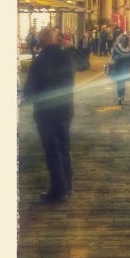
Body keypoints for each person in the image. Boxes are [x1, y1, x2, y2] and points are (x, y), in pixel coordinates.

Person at [22, 26, 75, 204]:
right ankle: (68, 186)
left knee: (52, 151)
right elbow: (85, 64)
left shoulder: (39, 61)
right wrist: (71, 47)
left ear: (41, 42)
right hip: (65, 110)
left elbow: (29, 89)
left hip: (46, 113)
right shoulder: (66, 56)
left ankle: (58, 190)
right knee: (64, 148)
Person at [110, 32, 130, 104]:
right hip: (125, 67)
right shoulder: (129, 48)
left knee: (119, 82)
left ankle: (119, 96)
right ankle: (122, 95)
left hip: (118, 66)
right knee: (123, 82)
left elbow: (113, 56)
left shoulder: (117, 47)